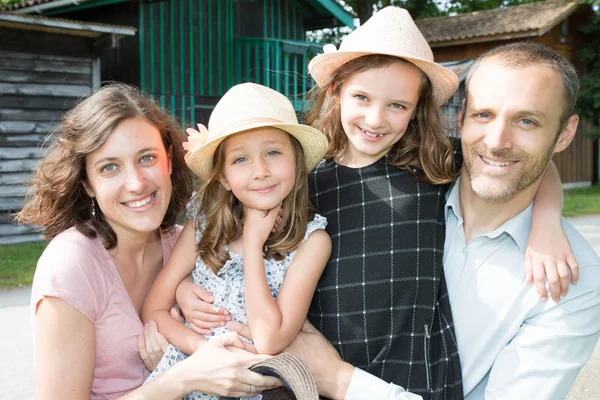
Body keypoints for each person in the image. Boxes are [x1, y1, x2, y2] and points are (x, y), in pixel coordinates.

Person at [181, 7, 577, 400]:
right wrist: (183, 290)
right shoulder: (303, 180)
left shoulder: (432, 165)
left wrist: (546, 224)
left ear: (416, 109)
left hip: (412, 372)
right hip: (316, 370)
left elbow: (526, 168)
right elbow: (228, 236)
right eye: (362, 97)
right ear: (336, 91)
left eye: (397, 106)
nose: (375, 119)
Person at [265, 41, 600, 400]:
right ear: (462, 118)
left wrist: (337, 380)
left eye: (527, 121)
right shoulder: (432, 169)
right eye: (483, 115)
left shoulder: (572, 281)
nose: (497, 141)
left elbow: (534, 165)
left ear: (564, 133)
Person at [17, 83, 282, 400]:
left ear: (169, 160)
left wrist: (182, 286)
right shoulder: (72, 266)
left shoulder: (181, 243)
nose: (136, 183)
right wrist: (180, 380)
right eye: (110, 167)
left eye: (147, 158)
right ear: (87, 183)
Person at [141, 82, 332, 399]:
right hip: (189, 377)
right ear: (225, 178)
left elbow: (270, 339)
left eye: (273, 152)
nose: (260, 171)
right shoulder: (204, 225)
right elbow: (154, 308)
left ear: (297, 162)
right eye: (241, 159)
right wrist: (204, 353)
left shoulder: (312, 241)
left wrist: (254, 245)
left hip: (249, 390)